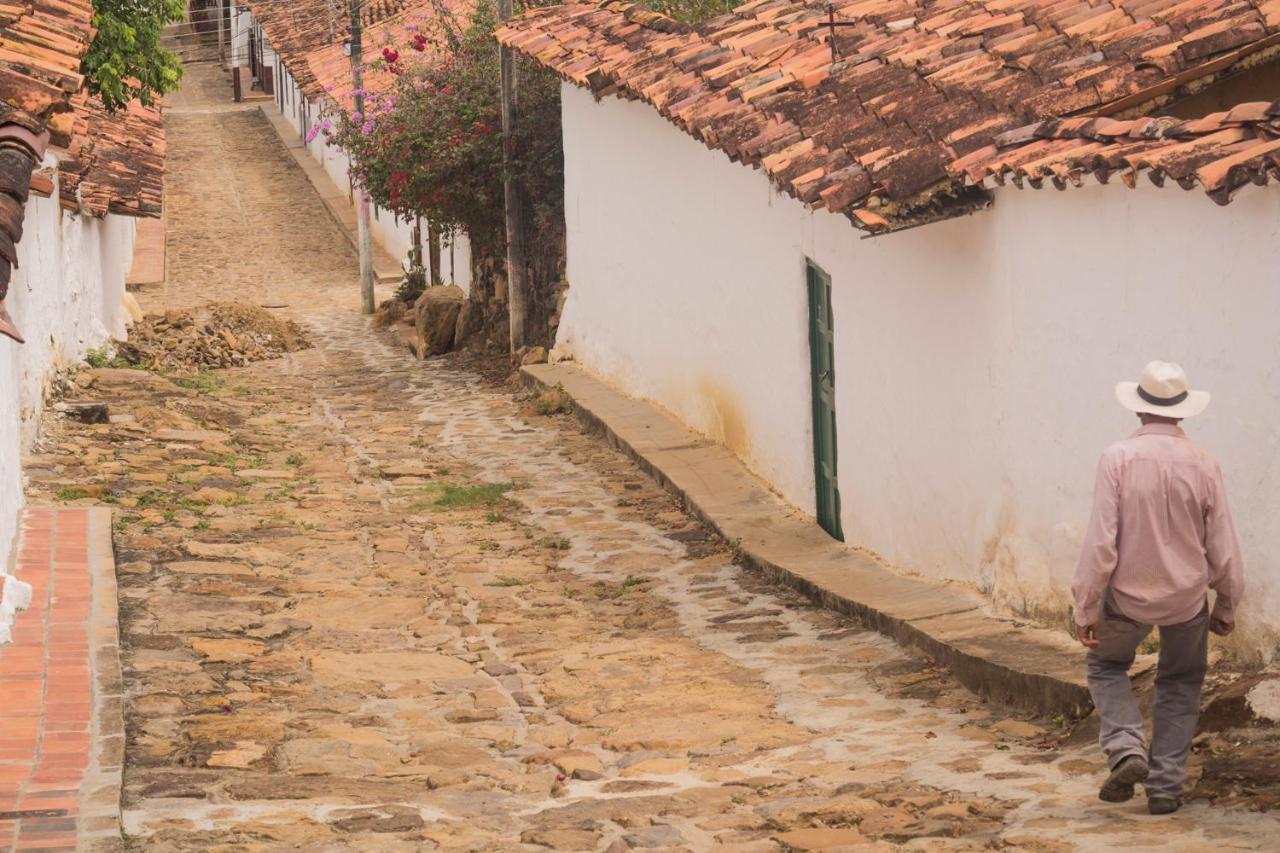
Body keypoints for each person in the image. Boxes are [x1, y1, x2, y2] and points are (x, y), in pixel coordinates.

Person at [1072, 360, 1244, 815]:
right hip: (1187, 600)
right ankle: (1166, 787)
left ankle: (1127, 749)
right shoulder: (1205, 464)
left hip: (1125, 597)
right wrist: (1227, 603)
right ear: (1183, 413)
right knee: (1181, 682)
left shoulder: (1117, 458)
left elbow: (1100, 541)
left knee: (1107, 669)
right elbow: (1222, 545)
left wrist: (1085, 605)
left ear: (1137, 411)